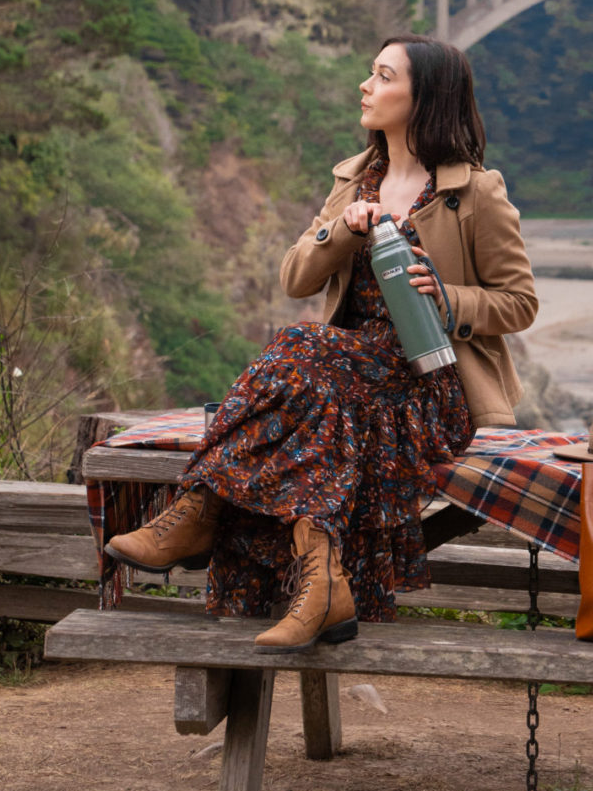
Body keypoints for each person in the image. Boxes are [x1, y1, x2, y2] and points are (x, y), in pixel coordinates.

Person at [106, 34, 538, 651]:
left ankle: (201, 509)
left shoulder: (474, 191)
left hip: (429, 384)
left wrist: (448, 300)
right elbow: (295, 276)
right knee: (318, 387)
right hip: (343, 380)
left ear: (425, 98)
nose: (366, 86)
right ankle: (323, 582)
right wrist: (342, 230)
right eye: (371, 73)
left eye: (383, 76)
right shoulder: (353, 179)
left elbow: (519, 302)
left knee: (300, 349)